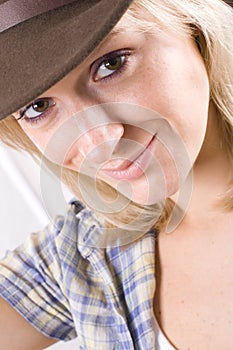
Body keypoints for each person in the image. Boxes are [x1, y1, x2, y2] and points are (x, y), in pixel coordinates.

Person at [0, 0, 232, 349]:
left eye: (111, 65)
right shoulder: (82, 252)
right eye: (38, 107)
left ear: (192, 24)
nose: (98, 143)